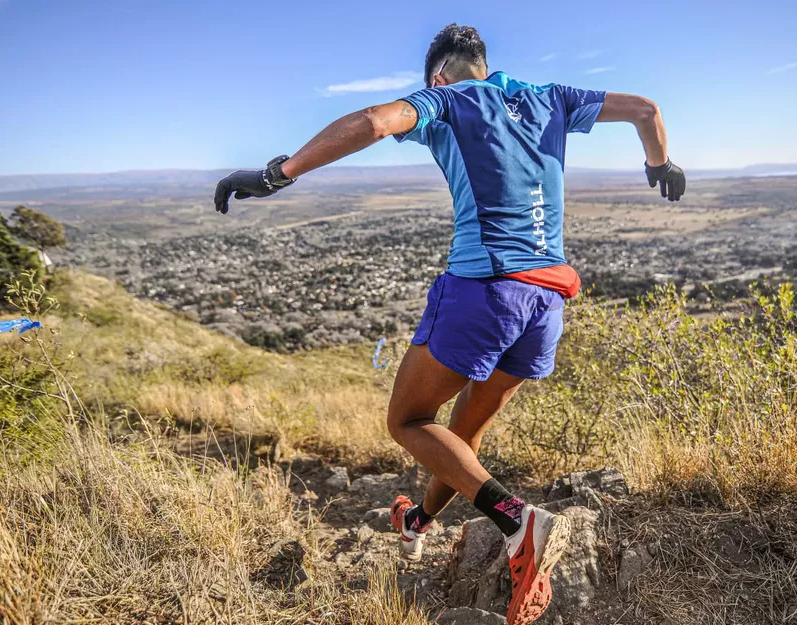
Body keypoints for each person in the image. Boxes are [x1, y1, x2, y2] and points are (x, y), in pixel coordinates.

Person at [214, 23, 685, 625]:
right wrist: (661, 164)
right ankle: (418, 521)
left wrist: (278, 173)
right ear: (483, 64)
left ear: (436, 75)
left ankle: (520, 523)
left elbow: (372, 122)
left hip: (484, 292)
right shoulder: (549, 96)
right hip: (548, 301)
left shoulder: (445, 99)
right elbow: (646, 109)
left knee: (408, 420)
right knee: (463, 432)